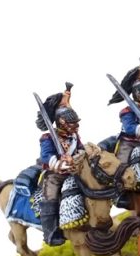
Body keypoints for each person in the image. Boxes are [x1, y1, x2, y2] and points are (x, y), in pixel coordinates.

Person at [37, 84, 84, 246]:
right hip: (56, 174)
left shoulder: (74, 137)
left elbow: (81, 150)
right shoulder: (47, 138)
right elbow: (46, 157)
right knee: (51, 197)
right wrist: (60, 164)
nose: (75, 126)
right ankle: (51, 233)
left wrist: (77, 158)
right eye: (71, 123)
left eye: (75, 123)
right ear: (61, 122)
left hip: (76, 170)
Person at [108, 58, 140, 166]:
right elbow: (129, 128)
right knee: (122, 167)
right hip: (129, 143)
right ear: (137, 94)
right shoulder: (127, 111)